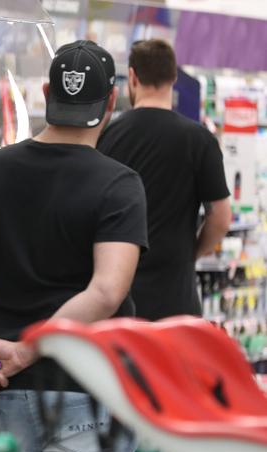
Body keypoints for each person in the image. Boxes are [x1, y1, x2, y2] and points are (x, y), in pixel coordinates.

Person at [0, 41, 147, 452]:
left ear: (46, 92)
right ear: (110, 103)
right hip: (87, 386)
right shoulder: (119, 185)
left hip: (2, 387)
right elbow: (106, 291)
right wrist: (25, 353)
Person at [97, 39, 231, 321]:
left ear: (132, 77)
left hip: (119, 298)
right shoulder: (199, 140)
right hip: (176, 299)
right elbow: (220, 217)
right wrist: (190, 254)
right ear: (174, 77)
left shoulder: (108, 135)